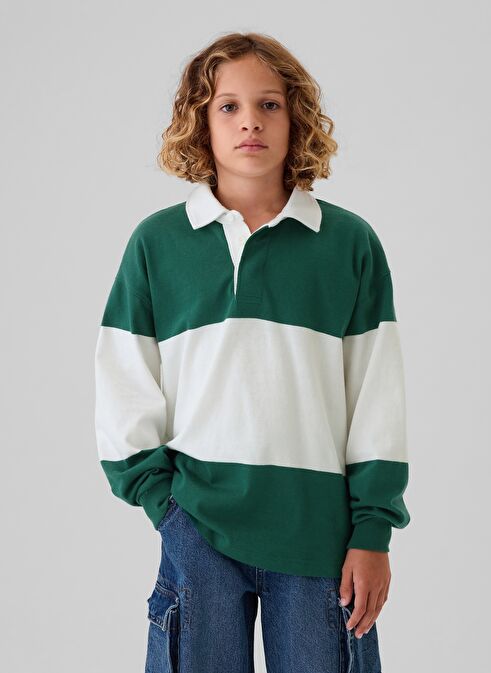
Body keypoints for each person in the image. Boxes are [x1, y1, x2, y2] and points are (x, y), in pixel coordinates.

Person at [94, 31, 410, 673]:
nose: (250, 123)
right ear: (201, 122)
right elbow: (123, 381)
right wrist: (166, 507)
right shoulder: (158, 243)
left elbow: (376, 394)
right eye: (228, 106)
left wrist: (373, 530)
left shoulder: (347, 243)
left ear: (296, 118)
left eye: (269, 105)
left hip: (320, 537)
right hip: (197, 527)